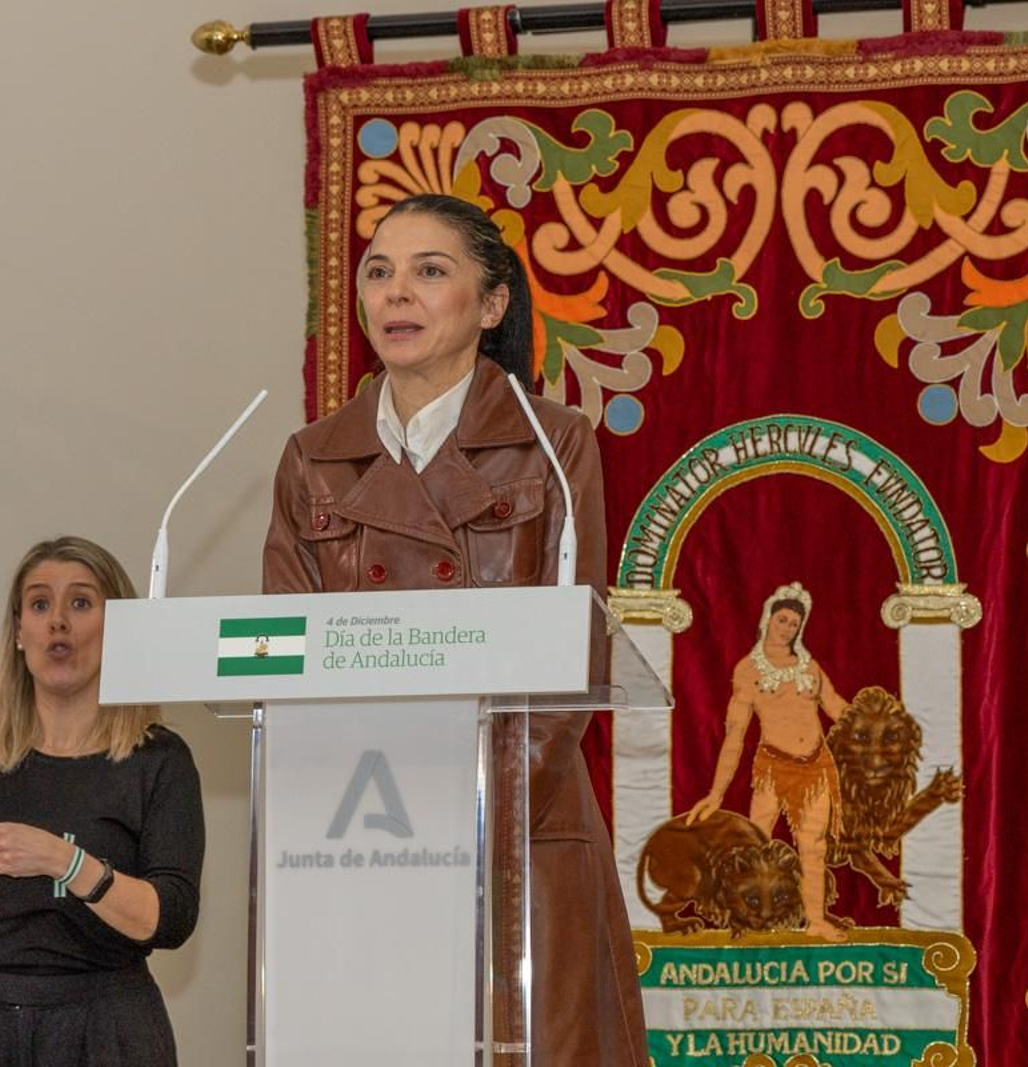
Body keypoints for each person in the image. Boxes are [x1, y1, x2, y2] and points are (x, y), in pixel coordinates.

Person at [262, 193, 646, 1064]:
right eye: (378, 272)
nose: (396, 292)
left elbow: (570, 661)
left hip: (521, 830)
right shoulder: (312, 458)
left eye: (429, 271)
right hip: (359, 836)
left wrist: (466, 818)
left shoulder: (555, 444)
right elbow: (288, 664)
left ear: (492, 303)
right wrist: (379, 822)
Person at [0, 536, 205, 1067]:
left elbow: (171, 918)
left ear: (118, 626)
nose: (58, 622)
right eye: (39, 604)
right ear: (18, 632)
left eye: (80, 603)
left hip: (105, 1025)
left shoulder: (159, 759)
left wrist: (68, 862)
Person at [684, 581, 849, 940]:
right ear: (768, 618)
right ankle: (746, 919)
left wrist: (871, 721)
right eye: (782, 619)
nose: (787, 627)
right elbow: (735, 736)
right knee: (756, 844)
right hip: (773, 768)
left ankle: (816, 921)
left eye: (794, 623)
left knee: (813, 846)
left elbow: (837, 707)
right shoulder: (748, 671)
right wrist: (716, 793)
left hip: (816, 767)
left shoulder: (809, 666)